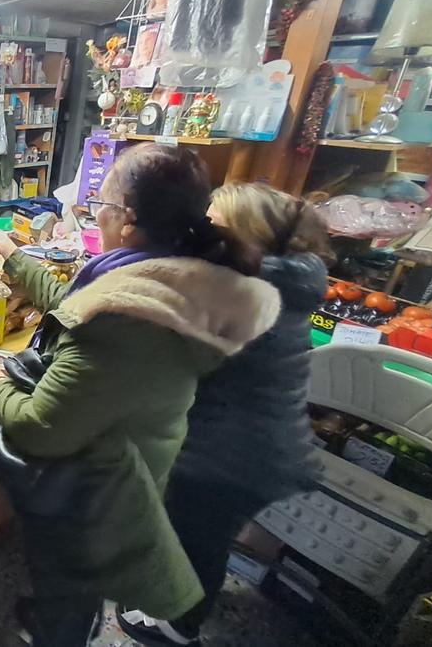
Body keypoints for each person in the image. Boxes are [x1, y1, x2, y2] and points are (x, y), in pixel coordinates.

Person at [0, 144, 282, 647]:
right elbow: (73, 307)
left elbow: (40, 428)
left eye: (101, 205)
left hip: (94, 486)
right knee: (84, 574)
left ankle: (59, 632)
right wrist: (11, 253)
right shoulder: (169, 272)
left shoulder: (125, 318)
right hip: (133, 460)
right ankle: (68, 616)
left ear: (129, 220)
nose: (95, 213)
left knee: (71, 571)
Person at [119, 183, 333, 647]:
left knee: (198, 544)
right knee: (197, 534)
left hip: (231, 456)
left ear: (247, 237)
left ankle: (177, 626)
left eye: (213, 225)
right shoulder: (283, 280)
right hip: (259, 444)